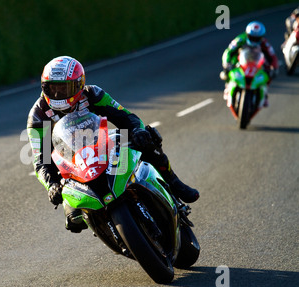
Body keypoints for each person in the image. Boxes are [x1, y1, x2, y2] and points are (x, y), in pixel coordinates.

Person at [27, 56, 199, 233]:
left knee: (148, 137)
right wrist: (52, 185)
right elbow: (40, 161)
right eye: (52, 88)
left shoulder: (92, 94)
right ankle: (108, 228)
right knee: (74, 220)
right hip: (72, 165)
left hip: (103, 145)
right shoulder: (38, 116)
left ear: (79, 84)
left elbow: (126, 116)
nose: (57, 94)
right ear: (44, 87)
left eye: (64, 88)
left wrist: (137, 131)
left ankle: (174, 182)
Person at [220, 21, 279, 106]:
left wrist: (274, 67)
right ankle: (227, 87)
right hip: (240, 61)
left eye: (257, 38)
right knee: (228, 71)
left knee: (268, 73)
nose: (254, 40)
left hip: (257, 63)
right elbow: (228, 51)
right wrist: (226, 63)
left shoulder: (264, 43)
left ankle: (264, 93)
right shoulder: (240, 39)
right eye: (252, 37)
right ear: (247, 34)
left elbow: (272, 55)